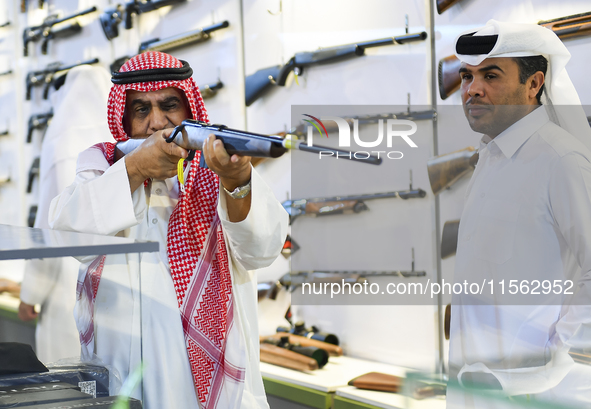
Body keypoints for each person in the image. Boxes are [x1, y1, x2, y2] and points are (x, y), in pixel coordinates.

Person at [48, 51, 288, 409]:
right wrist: (134, 169)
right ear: (125, 117)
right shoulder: (103, 166)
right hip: (126, 380)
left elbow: (261, 251)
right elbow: (69, 234)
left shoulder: (219, 167)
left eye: (169, 105)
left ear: (189, 110)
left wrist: (237, 181)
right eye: (141, 109)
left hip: (214, 388)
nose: (157, 121)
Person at [448, 20, 591, 407]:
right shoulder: (490, 156)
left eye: (490, 75)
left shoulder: (561, 160)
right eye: (466, 76)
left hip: (527, 389)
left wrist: (554, 354)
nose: (472, 89)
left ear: (534, 84)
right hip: (474, 383)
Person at [18, 65, 113, 364]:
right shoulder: (116, 137)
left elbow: (48, 227)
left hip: (66, 287)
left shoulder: (59, 139)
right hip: (113, 288)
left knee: (68, 385)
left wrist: (31, 293)